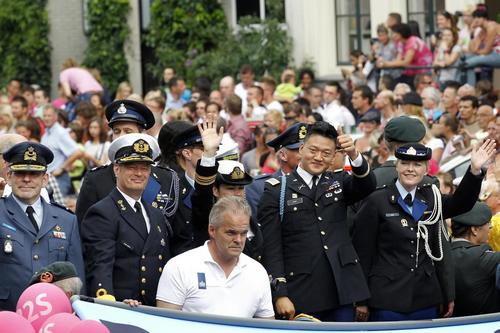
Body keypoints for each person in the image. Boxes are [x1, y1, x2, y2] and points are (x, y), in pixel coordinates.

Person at [353, 140, 496, 321]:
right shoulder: (376, 200)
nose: (410, 169)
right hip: (386, 298)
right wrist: (361, 300)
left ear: (426, 169)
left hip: (425, 297)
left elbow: (461, 203)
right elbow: (362, 253)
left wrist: (474, 171)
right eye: (404, 163)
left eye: (417, 164)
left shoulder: (431, 197)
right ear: (396, 165)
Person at [258, 121, 376, 322]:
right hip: (302, 291)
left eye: (326, 153)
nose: (319, 157)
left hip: (341, 290)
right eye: (313, 150)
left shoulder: (338, 182)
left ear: (333, 157)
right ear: (302, 149)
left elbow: (367, 185)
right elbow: (272, 248)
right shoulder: (277, 191)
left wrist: (355, 155)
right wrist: (280, 293)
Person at [81, 133, 171, 305]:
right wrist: (109, 304)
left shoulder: (156, 215)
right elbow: (100, 266)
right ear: (116, 169)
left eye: (144, 168)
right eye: (131, 167)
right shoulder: (103, 212)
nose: (139, 173)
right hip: (122, 308)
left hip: (154, 310)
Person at [156, 196, 275, 319]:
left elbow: (267, 325)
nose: (239, 240)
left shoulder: (257, 272)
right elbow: (164, 324)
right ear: (212, 230)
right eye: (231, 233)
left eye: (243, 233)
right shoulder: (179, 267)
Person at [0, 142, 85, 310]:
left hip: (52, 315)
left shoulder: (67, 220)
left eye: (34, 173)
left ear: (45, 179)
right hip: (7, 313)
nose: (26, 179)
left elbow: (76, 278)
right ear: (9, 177)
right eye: (20, 173)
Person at [75, 100, 178, 224]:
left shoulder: (166, 178)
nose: (121, 137)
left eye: (128, 131)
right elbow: (84, 227)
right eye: (116, 131)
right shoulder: (96, 179)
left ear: (142, 135)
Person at [245, 122, 304, 218]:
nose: (306, 155)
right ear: (283, 155)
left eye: (309, 150)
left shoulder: (316, 181)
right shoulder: (259, 187)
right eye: (300, 150)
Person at [451, 202, 500, 316]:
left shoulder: (441, 253)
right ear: (474, 230)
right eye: (488, 223)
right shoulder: (482, 257)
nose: (491, 227)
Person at [373, 116, 437, 187]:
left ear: (385, 142)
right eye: (421, 142)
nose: (423, 144)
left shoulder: (372, 178)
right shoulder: (428, 183)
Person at [41, 104, 83, 195]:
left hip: (59, 179)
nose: (46, 118)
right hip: (48, 178)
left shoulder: (60, 133)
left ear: (56, 117)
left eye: (49, 115)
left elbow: (78, 152)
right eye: (44, 116)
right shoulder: (46, 134)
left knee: (58, 207)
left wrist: (62, 167)